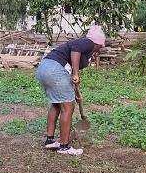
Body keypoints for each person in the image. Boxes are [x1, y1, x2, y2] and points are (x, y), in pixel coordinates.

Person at [36, 26, 105, 155]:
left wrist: (76, 92)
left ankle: (50, 141)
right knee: (68, 107)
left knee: (57, 104)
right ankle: (64, 146)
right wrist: (76, 73)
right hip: (55, 70)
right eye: (100, 46)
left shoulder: (85, 52)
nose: (99, 49)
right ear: (97, 42)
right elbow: (76, 50)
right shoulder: (88, 42)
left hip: (44, 68)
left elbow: (70, 75)